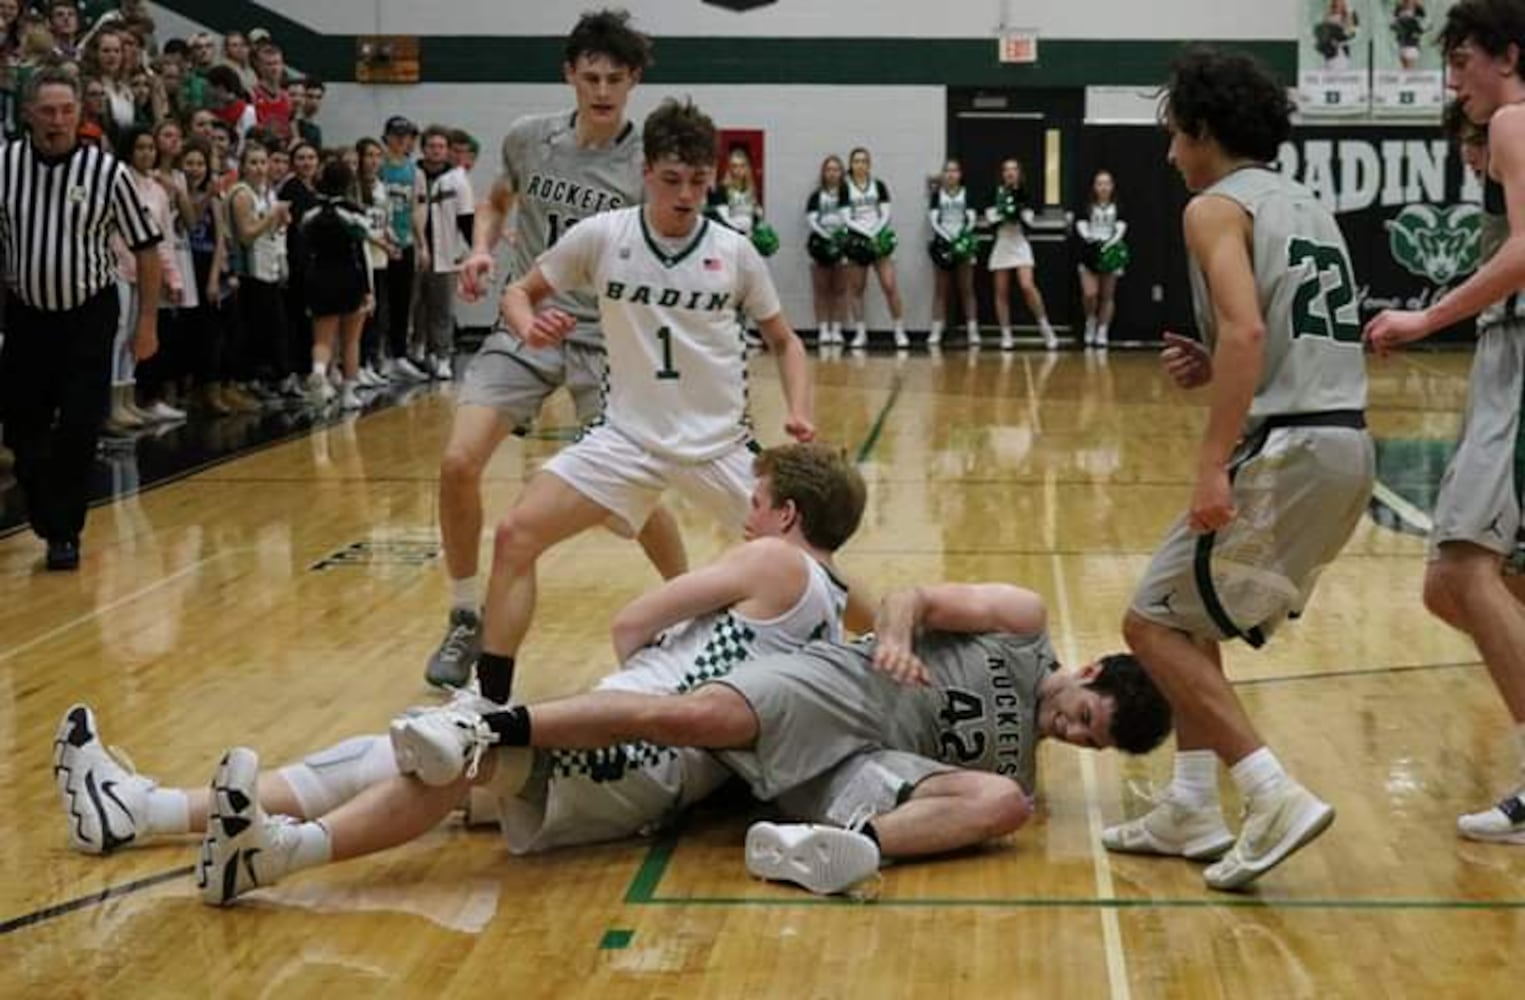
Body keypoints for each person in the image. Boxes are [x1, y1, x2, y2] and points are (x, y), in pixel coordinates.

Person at [52, 443, 865, 899]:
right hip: (668, 772)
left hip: (637, 737)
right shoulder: (830, 609)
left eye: (756, 503)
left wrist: (644, 671)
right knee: (407, 753)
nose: (747, 515)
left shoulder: (772, 563)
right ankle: (139, 811)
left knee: (449, 757)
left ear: (785, 516)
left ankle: (272, 855)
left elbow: (631, 621)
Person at [390, 581, 1173, 897]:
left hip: (866, 766)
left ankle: (831, 849)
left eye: (1086, 745)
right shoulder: (1022, 624)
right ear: (1088, 668)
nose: (1070, 735)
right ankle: (479, 724)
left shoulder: (1028, 772)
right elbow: (912, 593)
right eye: (1082, 717)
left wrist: (969, 805)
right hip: (846, 686)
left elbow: (976, 799)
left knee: (1003, 805)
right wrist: (898, 634)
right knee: (691, 717)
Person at [1104, 46, 1373, 892]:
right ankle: (1191, 804)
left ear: (1204, 132)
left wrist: (1211, 466)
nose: (1168, 152)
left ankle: (1268, 791)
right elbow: (1258, 337)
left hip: (1289, 445)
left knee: (1148, 624)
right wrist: (1211, 360)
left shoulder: (1213, 208)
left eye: (1173, 134)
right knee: (1185, 620)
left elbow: (1251, 337)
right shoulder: (1304, 203)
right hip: (1342, 440)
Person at [466, 97, 814, 710]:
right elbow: (520, 291)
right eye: (672, 179)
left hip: (720, 444)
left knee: (813, 565)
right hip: (625, 438)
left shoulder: (733, 252)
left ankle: (887, 661)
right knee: (516, 535)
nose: (685, 194)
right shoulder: (603, 236)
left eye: (699, 182)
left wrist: (800, 410)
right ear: (645, 172)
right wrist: (527, 326)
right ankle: (487, 707)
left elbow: (785, 342)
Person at [436, 9, 686, 689]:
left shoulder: (648, 164)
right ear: (570, 75)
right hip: (525, 323)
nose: (601, 90)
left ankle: (695, 606)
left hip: (608, 344)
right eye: (590, 76)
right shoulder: (528, 138)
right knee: (459, 462)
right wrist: (483, 251)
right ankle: (465, 615)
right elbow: (494, 200)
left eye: (615, 78)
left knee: (622, 505)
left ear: (633, 81)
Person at [1365, 2, 1525, 845]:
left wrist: (1423, 320)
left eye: (1461, 59)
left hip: (1519, 357)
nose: (1451, 77)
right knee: (1457, 584)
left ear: (1508, 55)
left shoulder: (1512, 120)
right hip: (1505, 357)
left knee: (1463, 565)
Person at [0, 68, 162, 570]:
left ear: (79, 116)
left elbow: (147, 249)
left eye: (66, 110)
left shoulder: (106, 172)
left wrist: (147, 324)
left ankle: (63, 532)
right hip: (26, 314)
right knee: (22, 429)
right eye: (47, 111)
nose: (57, 120)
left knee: (78, 425)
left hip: (89, 314)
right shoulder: (4, 165)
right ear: (27, 114)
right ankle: (46, 512)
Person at [299, 160, 373, 410]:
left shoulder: (310, 213)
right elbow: (363, 250)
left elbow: (303, 244)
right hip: (350, 277)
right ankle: (349, 393)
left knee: (322, 339)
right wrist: (368, 289)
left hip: (319, 276)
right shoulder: (355, 213)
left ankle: (319, 371)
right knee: (351, 340)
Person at [411, 123, 473, 380]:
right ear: (423, 148)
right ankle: (416, 352)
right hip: (413, 250)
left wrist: (474, 251)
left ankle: (443, 356)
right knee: (414, 307)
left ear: (447, 150)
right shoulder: (412, 173)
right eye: (431, 146)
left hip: (445, 252)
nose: (436, 151)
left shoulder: (457, 179)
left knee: (442, 309)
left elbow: (467, 218)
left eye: (441, 147)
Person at [986, 158, 1058, 350]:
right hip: (1002, 241)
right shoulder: (995, 193)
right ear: (1002, 174)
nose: (1010, 173)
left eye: (1014, 169)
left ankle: (1045, 328)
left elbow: (1030, 219)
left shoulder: (1026, 193)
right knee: (1001, 290)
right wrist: (1002, 215)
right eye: (1006, 170)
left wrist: (1018, 213)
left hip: (1019, 242)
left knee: (1027, 285)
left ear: (1019, 173)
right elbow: (990, 217)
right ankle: (1006, 334)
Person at [841, 146, 907, 349]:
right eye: (856, 161)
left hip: (878, 239)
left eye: (863, 161)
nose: (860, 164)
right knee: (857, 288)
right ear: (851, 165)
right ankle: (861, 332)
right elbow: (845, 217)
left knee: (889, 285)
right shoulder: (845, 187)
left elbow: (886, 213)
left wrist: (875, 232)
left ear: (869, 165)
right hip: (857, 239)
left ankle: (899, 330)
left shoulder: (878, 185)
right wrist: (865, 233)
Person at [379, 115, 426, 382]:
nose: (401, 140)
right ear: (387, 136)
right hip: (381, 244)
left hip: (405, 241)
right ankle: (379, 355)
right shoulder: (379, 167)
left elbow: (418, 209)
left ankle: (398, 355)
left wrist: (422, 244)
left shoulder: (414, 171)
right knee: (380, 302)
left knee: (402, 301)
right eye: (397, 135)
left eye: (406, 136)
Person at [927, 157, 978, 347]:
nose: (950, 174)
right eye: (947, 171)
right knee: (940, 290)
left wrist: (960, 238)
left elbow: (971, 219)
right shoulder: (937, 195)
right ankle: (936, 330)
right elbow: (934, 220)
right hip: (943, 244)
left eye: (954, 171)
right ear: (943, 175)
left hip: (963, 242)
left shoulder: (967, 193)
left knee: (967, 289)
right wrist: (948, 238)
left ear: (960, 174)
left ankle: (972, 330)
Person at [1075, 169, 1128, 349]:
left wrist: (1110, 244)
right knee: (1090, 293)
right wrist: (1092, 240)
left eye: (1107, 183)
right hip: (1090, 252)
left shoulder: (1118, 207)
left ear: (1112, 187)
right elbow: (1081, 226)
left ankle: (1102, 329)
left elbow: (1121, 228)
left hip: (1110, 252)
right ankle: (1090, 320)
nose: (1103, 187)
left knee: (1107, 295)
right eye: (1100, 183)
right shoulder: (1087, 206)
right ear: (1094, 187)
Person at [805, 154, 849, 347]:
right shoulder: (816, 196)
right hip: (821, 242)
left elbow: (851, 218)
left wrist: (841, 237)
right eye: (829, 169)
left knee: (840, 289)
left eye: (836, 169)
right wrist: (826, 236)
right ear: (824, 173)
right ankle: (823, 329)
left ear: (841, 172)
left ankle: (837, 329)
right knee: (821, 289)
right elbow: (812, 220)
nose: (832, 173)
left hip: (842, 242)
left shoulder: (847, 194)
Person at [1392, 1, 1428, 70]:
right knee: (1404, 66)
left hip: (1412, 42)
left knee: (1410, 67)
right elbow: (1394, 21)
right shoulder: (1400, 6)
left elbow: (1423, 22)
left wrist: (1417, 31)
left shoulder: (1418, 7)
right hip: (1401, 40)